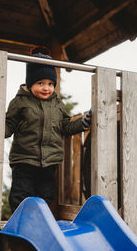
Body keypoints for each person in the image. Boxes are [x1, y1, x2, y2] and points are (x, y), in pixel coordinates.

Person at [5, 46, 92, 212]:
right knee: (21, 194)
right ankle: (20, 223)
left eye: (50, 84)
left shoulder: (57, 104)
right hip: (24, 159)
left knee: (45, 195)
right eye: (40, 83)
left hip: (49, 162)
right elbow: (9, 124)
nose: (46, 88)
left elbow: (65, 126)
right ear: (30, 83)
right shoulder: (20, 102)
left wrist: (83, 123)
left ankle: (40, 222)